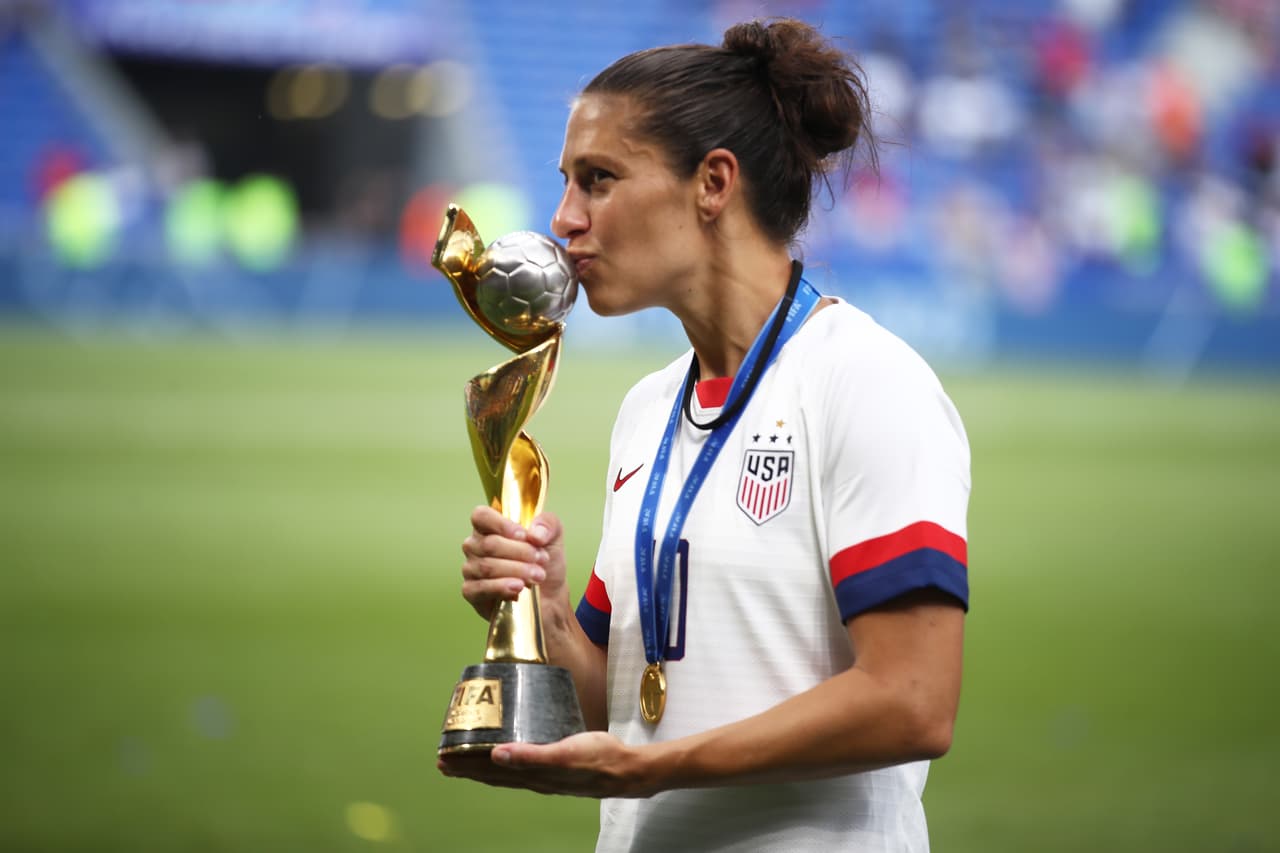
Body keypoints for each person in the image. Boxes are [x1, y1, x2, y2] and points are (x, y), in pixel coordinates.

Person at [442, 17, 971, 853]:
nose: (563, 219)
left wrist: (655, 767)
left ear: (713, 183)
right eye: (567, 183)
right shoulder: (647, 409)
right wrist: (543, 610)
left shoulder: (866, 382)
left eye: (599, 180)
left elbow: (911, 698)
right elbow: (614, 707)